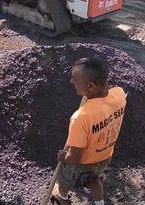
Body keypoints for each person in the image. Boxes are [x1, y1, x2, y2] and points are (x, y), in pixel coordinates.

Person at [51, 58, 127, 205]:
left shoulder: (81, 117)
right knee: (93, 179)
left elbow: (74, 157)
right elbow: (107, 96)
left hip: (82, 162)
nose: (71, 81)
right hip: (104, 156)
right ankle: (100, 203)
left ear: (91, 86)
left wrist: (63, 157)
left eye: (75, 80)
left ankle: (63, 198)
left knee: (64, 180)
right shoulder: (119, 94)